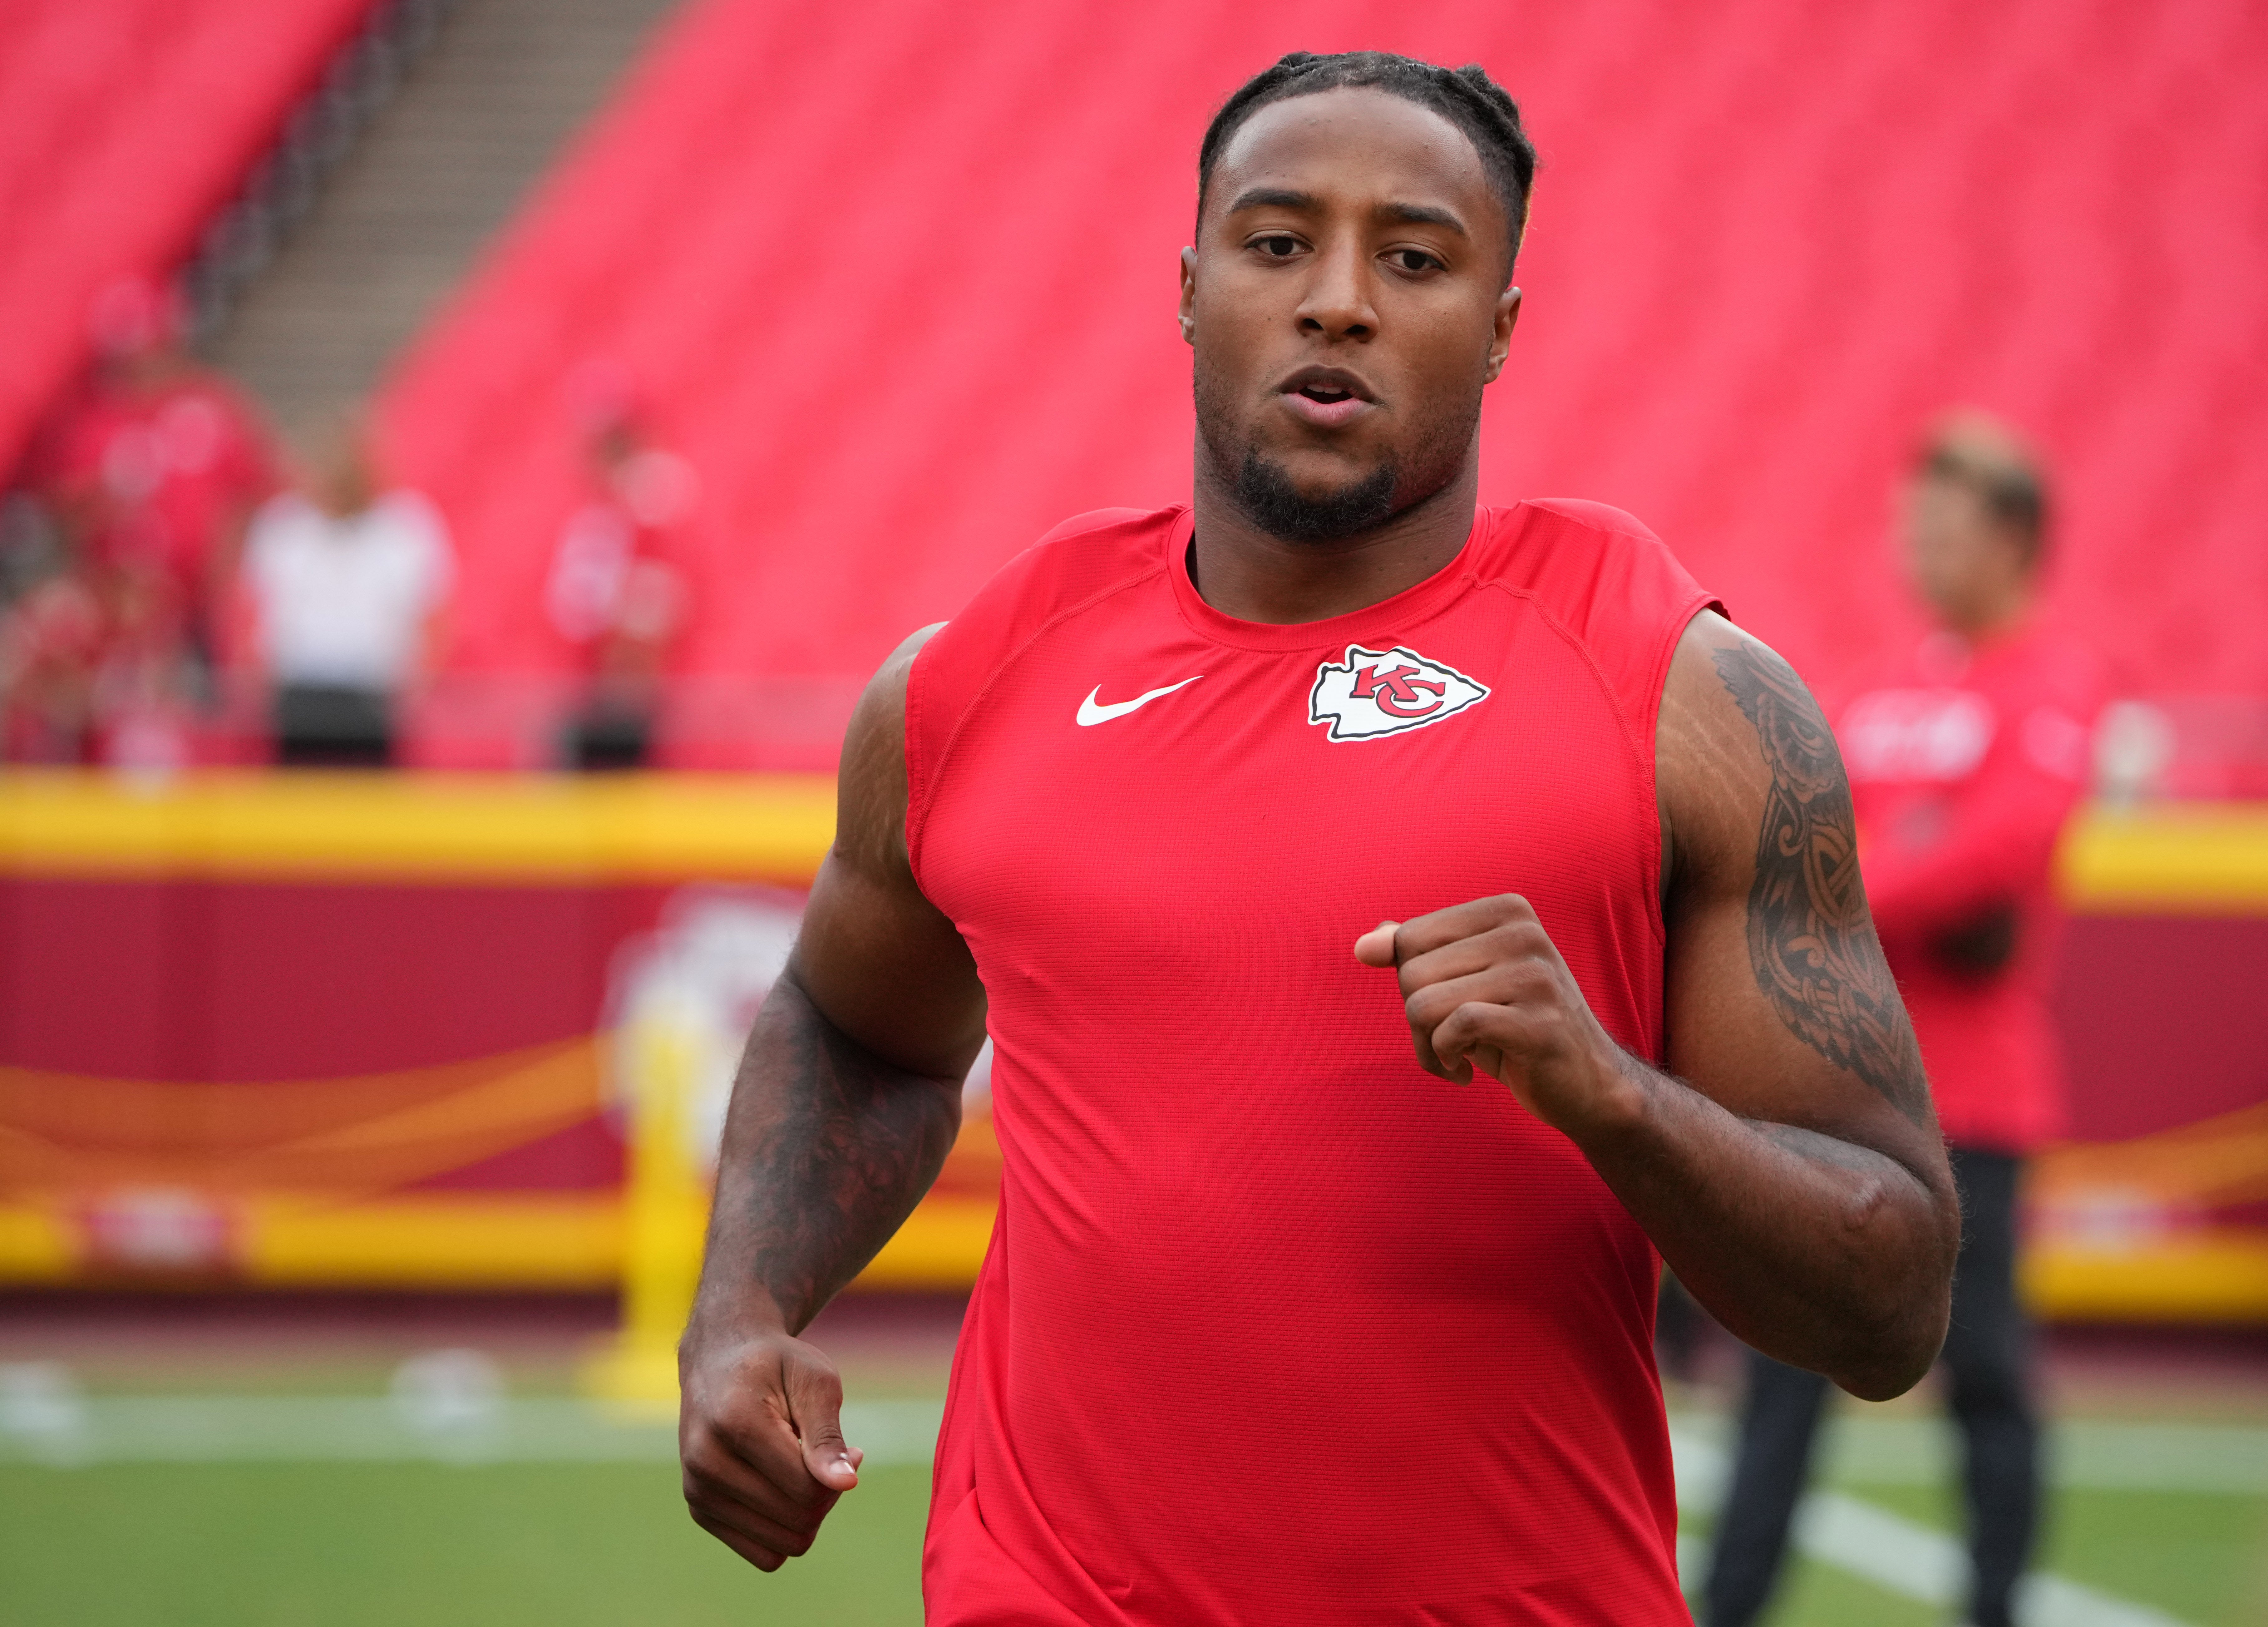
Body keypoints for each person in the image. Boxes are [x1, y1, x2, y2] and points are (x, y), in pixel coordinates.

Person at [677, 52, 1961, 1625]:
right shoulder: (968, 684)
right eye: (1277, 243)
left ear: (1499, 326)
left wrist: (1614, 1097)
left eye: (1412, 259)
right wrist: (742, 1312)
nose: (1338, 300)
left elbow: (1892, 1298)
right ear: (1190, 285)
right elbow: (856, 1029)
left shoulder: (1685, 700)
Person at [1701, 414, 2105, 1627]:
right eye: (1908, 525)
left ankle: (1993, 1606)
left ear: (2015, 539)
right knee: (1779, 1378)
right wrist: (1894, 860)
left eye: (1943, 525)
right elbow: (1797, 833)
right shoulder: (1879, 691)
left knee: (1981, 1374)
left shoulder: (2053, 684)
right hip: (1827, 1086)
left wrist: (1862, 877)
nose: (1916, 548)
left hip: (1970, 1100)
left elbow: (1999, 850)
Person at [25, 275, 279, 761]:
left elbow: (259, 495)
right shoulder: (94, 425)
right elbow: (66, 519)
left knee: (208, 724)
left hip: (197, 614)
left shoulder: (211, 409)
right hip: (119, 615)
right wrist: (105, 503)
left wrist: (221, 573)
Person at [238, 417, 453, 766]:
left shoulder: (406, 527)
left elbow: (434, 621)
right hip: (296, 698)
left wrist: (410, 693)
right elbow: (250, 618)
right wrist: (259, 688)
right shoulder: (281, 526)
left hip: (376, 701)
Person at [545, 405, 693, 769]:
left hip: (617, 702)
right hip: (588, 693)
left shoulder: (648, 522)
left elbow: (647, 619)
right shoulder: (602, 520)